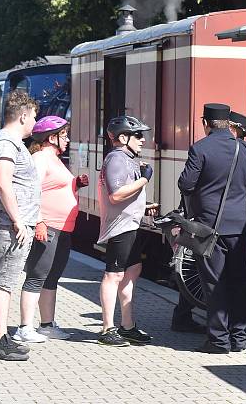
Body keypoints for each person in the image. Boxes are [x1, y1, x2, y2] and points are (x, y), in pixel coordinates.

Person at [179, 103, 246, 354]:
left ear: (206, 123)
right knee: (238, 281)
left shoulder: (200, 148)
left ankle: (218, 341)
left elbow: (186, 183)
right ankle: (239, 339)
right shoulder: (245, 149)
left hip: (209, 228)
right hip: (239, 226)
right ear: (228, 123)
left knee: (215, 283)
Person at [14, 116, 88, 343]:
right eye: (63, 135)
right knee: (37, 276)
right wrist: (38, 221)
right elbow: (31, 191)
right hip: (48, 226)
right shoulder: (40, 158)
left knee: (51, 277)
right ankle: (24, 327)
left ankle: (47, 324)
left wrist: (76, 183)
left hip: (63, 226)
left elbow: (53, 187)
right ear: (50, 137)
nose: (67, 140)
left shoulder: (55, 159)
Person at [0, 90, 40, 360]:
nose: (34, 124)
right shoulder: (6, 143)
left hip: (12, 224)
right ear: (23, 116)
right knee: (4, 281)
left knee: (7, 280)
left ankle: (0, 335)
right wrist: (18, 220)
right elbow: (3, 183)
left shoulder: (11, 143)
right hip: (7, 225)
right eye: (33, 118)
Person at [97, 115, 157, 346]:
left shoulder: (127, 158)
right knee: (114, 275)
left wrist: (144, 206)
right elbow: (116, 194)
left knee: (133, 271)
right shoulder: (116, 159)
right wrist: (144, 180)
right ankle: (106, 329)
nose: (143, 140)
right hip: (120, 227)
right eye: (138, 135)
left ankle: (128, 326)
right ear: (123, 137)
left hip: (131, 224)